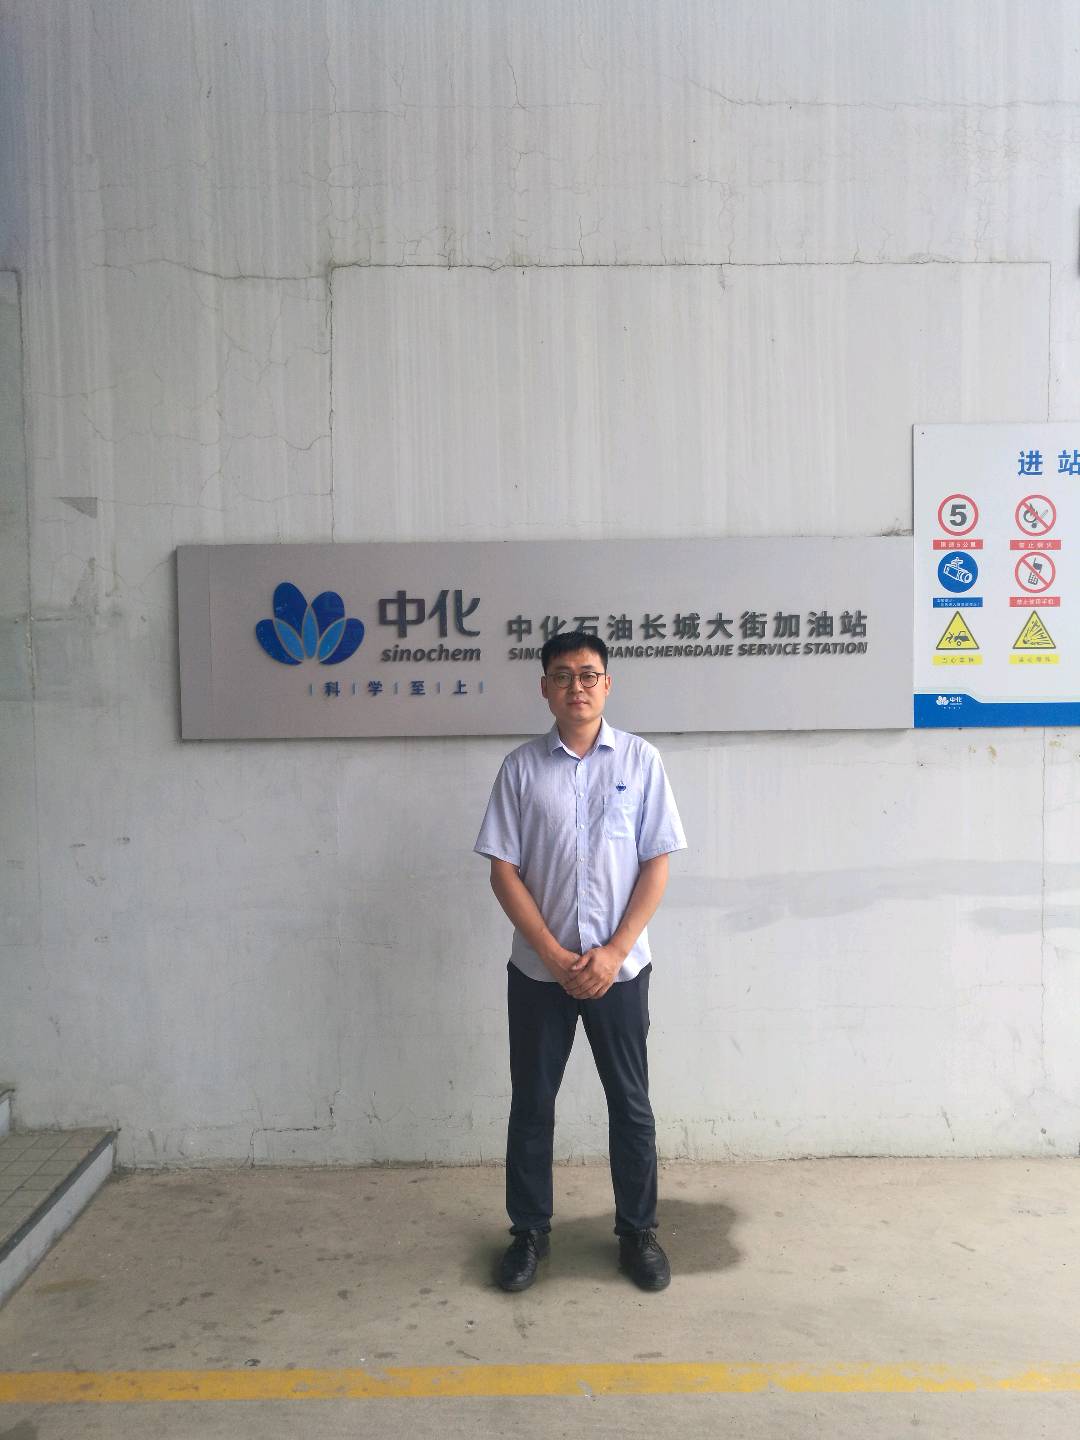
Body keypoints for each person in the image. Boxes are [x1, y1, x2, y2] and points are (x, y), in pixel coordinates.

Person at [474, 630, 687, 1292]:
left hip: (620, 972)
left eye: (589, 674)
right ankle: (529, 1233)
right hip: (541, 973)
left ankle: (638, 1233)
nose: (577, 686)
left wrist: (613, 952)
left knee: (631, 1104)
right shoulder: (520, 769)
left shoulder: (642, 761)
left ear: (607, 684)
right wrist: (554, 953)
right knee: (533, 1105)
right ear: (544, 687)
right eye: (563, 676)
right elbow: (503, 870)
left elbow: (657, 864)